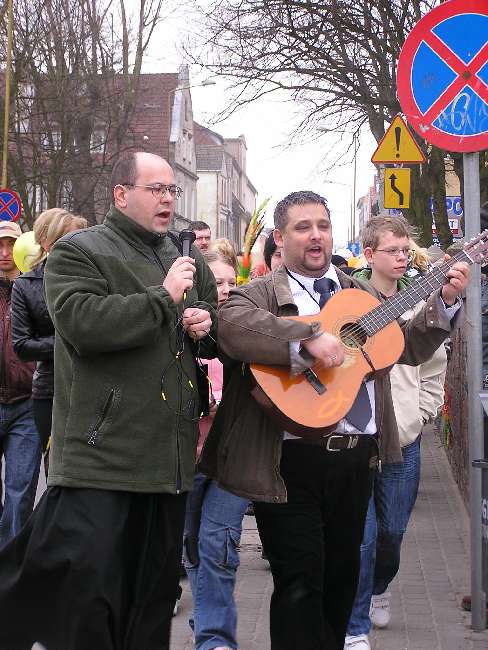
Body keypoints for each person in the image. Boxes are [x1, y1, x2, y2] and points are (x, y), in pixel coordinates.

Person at [198, 191, 469, 650]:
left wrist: (442, 300)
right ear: (280, 237)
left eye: (322, 225)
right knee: (299, 582)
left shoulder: (360, 295)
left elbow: (405, 347)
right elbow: (232, 327)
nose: (316, 235)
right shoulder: (261, 292)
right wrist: (307, 336)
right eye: (303, 227)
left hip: (356, 459)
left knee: (342, 581)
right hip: (288, 461)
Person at [0, 151, 217, 650]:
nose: (167, 199)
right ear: (121, 194)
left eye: (171, 190)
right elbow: (82, 325)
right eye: (155, 189)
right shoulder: (79, 251)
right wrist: (164, 298)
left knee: (153, 604)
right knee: (90, 603)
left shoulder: (185, 256)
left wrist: (204, 325)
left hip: (169, 465)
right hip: (101, 462)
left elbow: (211, 327)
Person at [345, 219, 448, 650]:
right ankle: (355, 627)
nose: (402, 257)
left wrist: (421, 414)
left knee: (391, 535)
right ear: (370, 255)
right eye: (393, 250)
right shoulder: (349, 299)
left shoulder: (417, 302)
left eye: (406, 249)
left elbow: (434, 364)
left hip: (404, 439)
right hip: (359, 440)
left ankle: (380, 586)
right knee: (363, 539)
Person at [184, 242, 249, 650]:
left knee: (219, 543)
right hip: (185, 457)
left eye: (230, 282)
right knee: (192, 544)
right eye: (216, 282)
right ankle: (205, 615)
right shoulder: (184, 326)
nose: (224, 290)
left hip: (231, 456)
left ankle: (214, 637)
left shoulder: (246, 325)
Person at [11, 208, 88, 475]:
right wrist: (71, 339)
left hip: (92, 384)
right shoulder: (26, 284)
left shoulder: (94, 278)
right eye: (64, 240)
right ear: (45, 242)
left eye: (77, 239)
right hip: (50, 388)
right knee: (56, 469)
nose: (73, 247)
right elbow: (22, 345)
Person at [0, 220, 41, 549]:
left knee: (20, 492)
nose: (4, 253)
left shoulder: (34, 289)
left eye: (10, 245)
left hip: (26, 403)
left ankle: (10, 562)